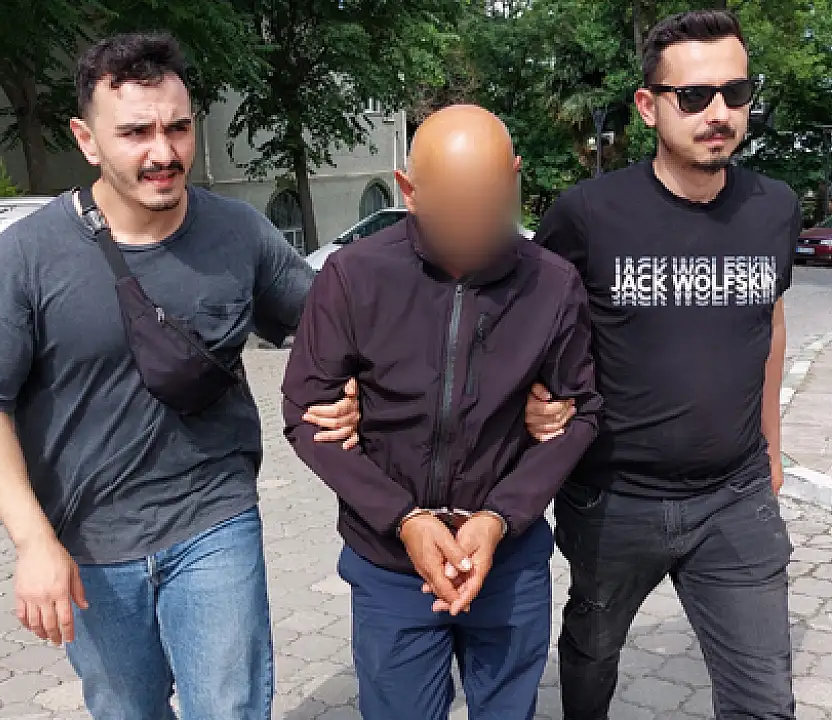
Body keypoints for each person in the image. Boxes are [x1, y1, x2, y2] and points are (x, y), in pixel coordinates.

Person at [0, 32, 357, 720]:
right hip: (88, 542)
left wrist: (348, 390)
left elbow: (328, 328)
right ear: (87, 140)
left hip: (214, 518)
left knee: (229, 708)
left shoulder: (237, 233)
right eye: (135, 133)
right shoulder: (26, 258)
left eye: (178, 128)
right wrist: (33, 542)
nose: (163, 152)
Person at [281, 105, 602, 720]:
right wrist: (401, 518)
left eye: (492, 203)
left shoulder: (552, 284)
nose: (477, 227)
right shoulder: (354, 275)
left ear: (514, 177)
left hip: (506, 560)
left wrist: (501, 517)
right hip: (390, 565)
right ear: (410, 190)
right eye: (456, 207)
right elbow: (306, 414)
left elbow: (581, 412)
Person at [526, 10, 800, 719]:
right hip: (613, 498)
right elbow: (531, 325)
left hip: (735, 497)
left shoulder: (774, 207)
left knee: (766, 701)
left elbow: (769, 323)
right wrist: (536, 399)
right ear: (649, 106)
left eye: (735, 93)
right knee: (593, 650)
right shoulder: (587, 214)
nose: (719, 113)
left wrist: (771, 447)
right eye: (695, 96)